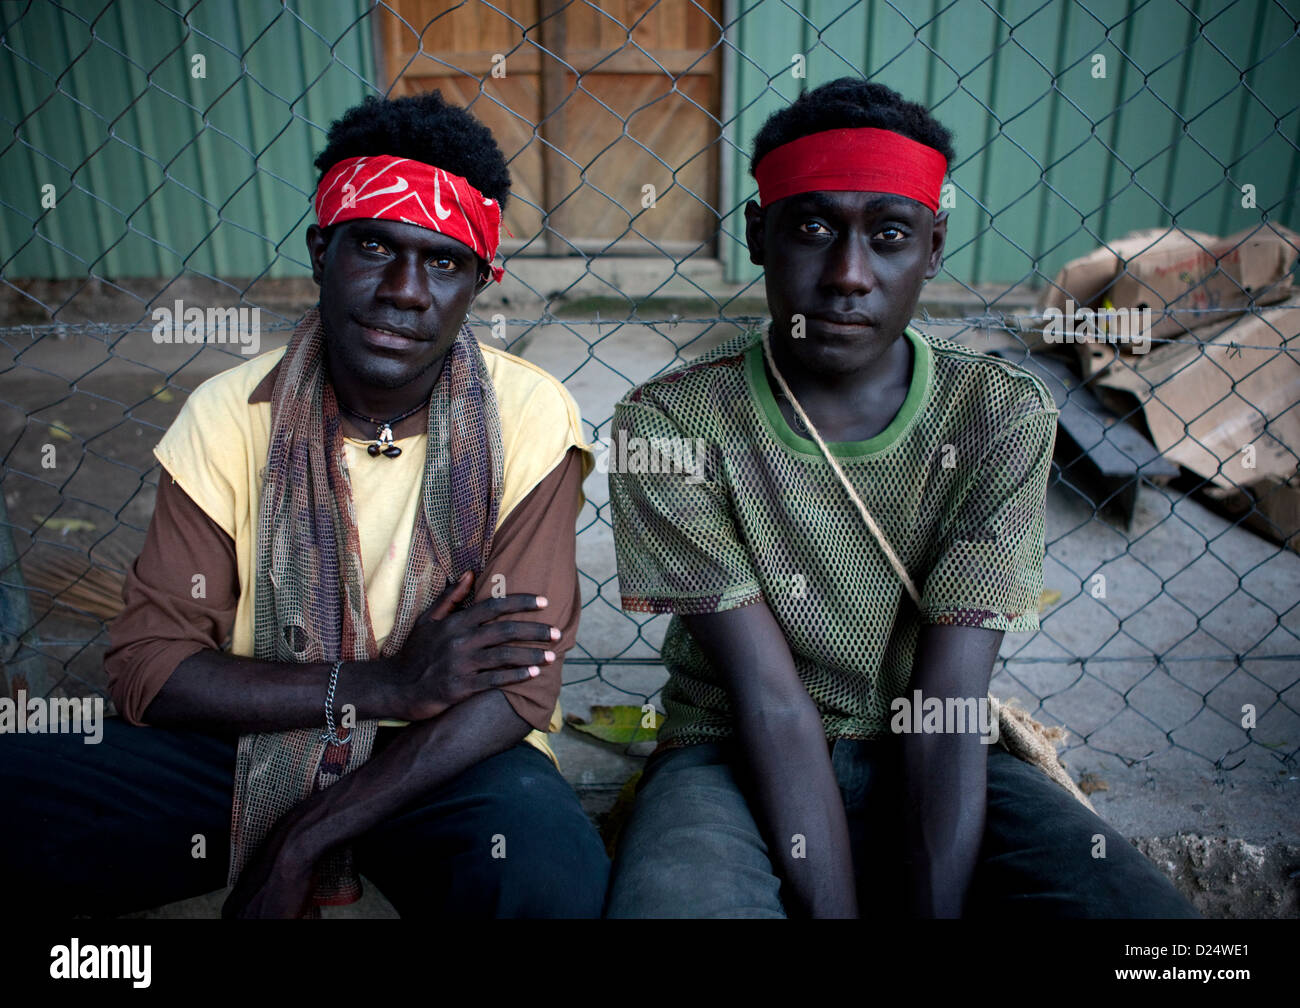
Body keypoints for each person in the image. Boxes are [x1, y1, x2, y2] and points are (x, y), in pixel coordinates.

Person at [0, 91, 609, 919]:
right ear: (323, 251)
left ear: (478, 282)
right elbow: (149, 670)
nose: (404, 290)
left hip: (444, 759)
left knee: (541, 877)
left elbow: (516, 692)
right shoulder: (229, 413)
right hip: (256, 736)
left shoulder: (529, 417)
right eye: (374, 246)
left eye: (442, 261)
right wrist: (385, 686)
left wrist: (301, 841)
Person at [604, 78, 1196, 918]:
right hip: (732, 751)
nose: (848, 275)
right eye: (812, 228)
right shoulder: (671, 421)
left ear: (934, 245)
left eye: (889, 234)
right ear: (757, 236)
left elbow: (948, 696)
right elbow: (769, 700)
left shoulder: (998, 412)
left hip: (930, 742)